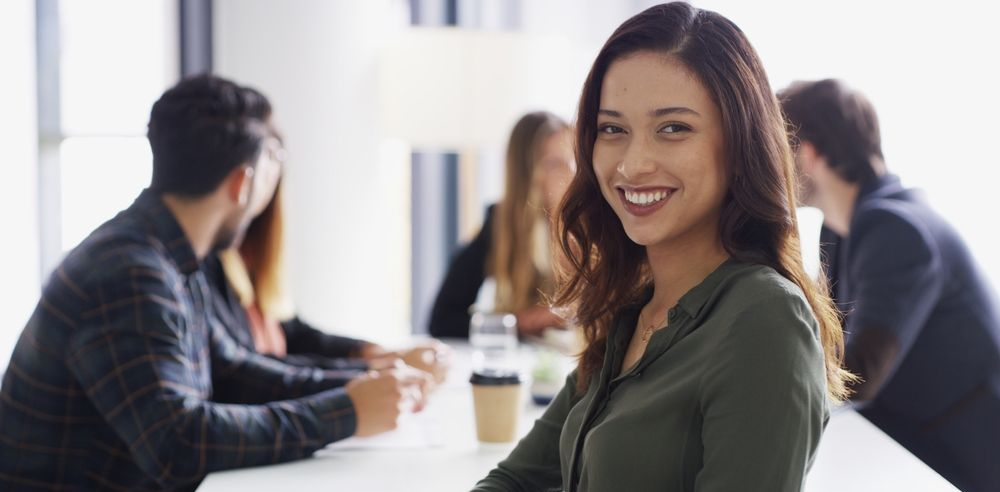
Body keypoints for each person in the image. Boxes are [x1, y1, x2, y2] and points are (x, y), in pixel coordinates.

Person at [473, 3, 853, 491]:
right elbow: (516, 480)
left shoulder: (764, 320)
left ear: (739, 143)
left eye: (673, 128)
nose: (632, 165)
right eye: (613, 129)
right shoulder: (632, 309)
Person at [0, 74, 428, 491]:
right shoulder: (128, 272)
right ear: (243, 182)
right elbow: (177, 442)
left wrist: (370, 379)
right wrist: (346, 411)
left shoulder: (167, 253)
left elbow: (231, 370)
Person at [779, 79, 1000, 492]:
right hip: (916, 445)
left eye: (775, 149)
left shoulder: (895, 228)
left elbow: (858, 374)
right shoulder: (843, 229)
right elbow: (825, 338)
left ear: (807, 154)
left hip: (970, 459)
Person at [212, 179, 450, 383]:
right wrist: (377, 367)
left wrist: (372, 352)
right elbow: (248, 371)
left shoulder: (248, 254)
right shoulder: (209, 264)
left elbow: (297, 336)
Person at [429, 111, 575, 338]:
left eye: (575, 160)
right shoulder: (502, 224)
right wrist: (519, 322)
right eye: (555, 164)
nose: (571, 173)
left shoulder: (600, 223)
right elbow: (443, 320)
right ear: (527, 174)